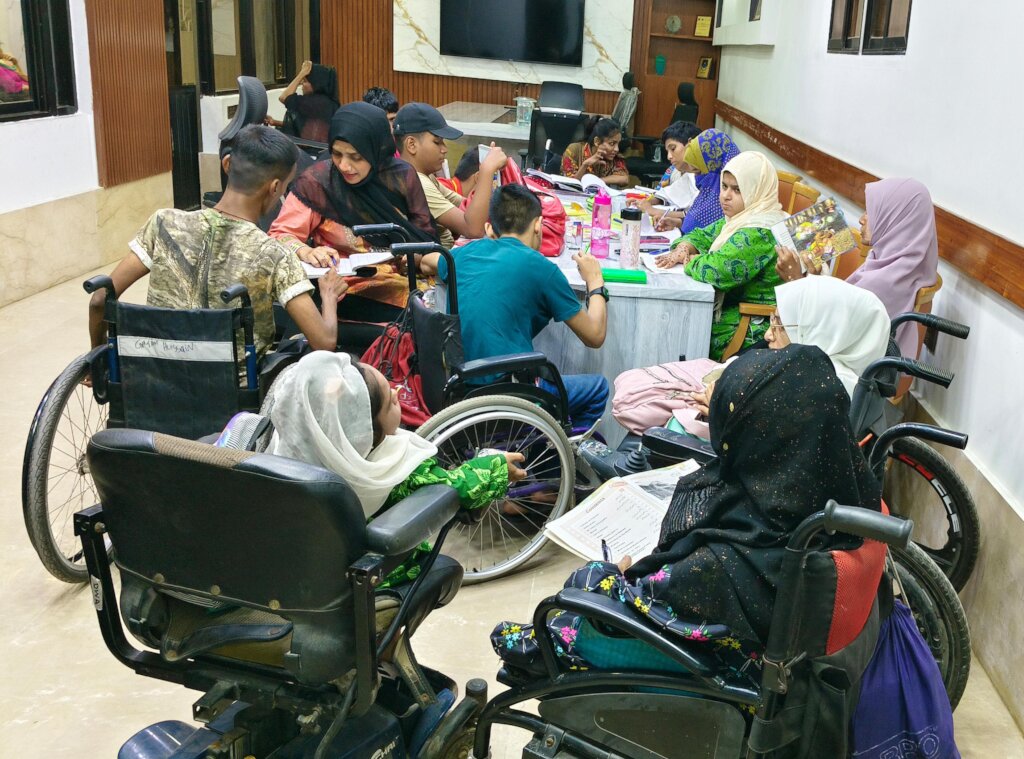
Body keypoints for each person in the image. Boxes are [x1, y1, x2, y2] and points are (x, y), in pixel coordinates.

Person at [493, 344, 882, 671]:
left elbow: (621, 613)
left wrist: (610, 574)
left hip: (695, 672)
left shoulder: (717, 567)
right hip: (762, 654)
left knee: (569, 595)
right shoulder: (848, 504)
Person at [88, 125, 344, 359]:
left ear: (226, 164)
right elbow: (324, 341)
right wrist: (329, 295)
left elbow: (100, 300)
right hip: (233, 388)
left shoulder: (163, 224)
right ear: (275, 187)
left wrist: (98, 357)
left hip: (156, 377)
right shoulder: (273, 253)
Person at [421, 184, 610, 428]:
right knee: (598, 388)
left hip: (460, 386)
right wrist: (595, 282)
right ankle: (560, 448)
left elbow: (427, 262)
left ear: (490, 229)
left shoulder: (465, 254)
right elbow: (594, 336)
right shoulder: (542, 269)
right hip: (510, 389)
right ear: (538, 225)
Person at [612, 275, 890, 436]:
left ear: (821, 330)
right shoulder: (832, 378)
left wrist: (723, 413)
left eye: (780, 324)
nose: (768, 335)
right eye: (772, 320)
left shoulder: (817, 390)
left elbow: (767, 453)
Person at [269, 102, 437, 322]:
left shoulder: (402, 177)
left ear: (376, 150)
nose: (344, 166)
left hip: (406, 276)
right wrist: (306, 251)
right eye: (337, 154)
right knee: (421, 318)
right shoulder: (318, 183)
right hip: (348, 287)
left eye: (356, 157)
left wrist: (413, 257)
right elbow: (279, 235)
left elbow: (424, 237)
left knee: (450, 304)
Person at [775, 178, 939, 360]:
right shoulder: (902, 264)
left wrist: (795, 281)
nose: (861, 219)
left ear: (897, 220)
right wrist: (813, 280)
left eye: (872, 212)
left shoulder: (884, 281)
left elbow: (828, 333)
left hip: (842, 365)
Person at [655, 151, 787, 360]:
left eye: (737, 190)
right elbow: (699, 235)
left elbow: (716, 270)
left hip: (752, 325)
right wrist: (684, 248)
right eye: (724, 186)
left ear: (757, 191)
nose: (725, 195)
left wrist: (693, 261)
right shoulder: (740, 219)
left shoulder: (760, 230)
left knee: (676, 325)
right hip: (733, 308)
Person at [394, 102, 508, 249]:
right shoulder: (416, 182)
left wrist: (488, 177)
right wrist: (487, 171)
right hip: (438, 260)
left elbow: (465, 206)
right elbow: (473, 229)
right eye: (437, 142)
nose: (444, 149)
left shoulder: (426, 177)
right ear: (411, 145)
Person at [642, 127, 741, 234]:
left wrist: (654, 211)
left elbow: (709, 230)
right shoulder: (711, 186)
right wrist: (678, 223)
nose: (697, 178)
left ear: (712, 166)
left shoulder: (721, 192)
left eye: (699, 171)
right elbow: (698, 220)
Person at [269, 60, 339, 143]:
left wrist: (302, 73)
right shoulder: (330, 102)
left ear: (315, 84)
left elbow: (284, 97)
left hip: (309, 150)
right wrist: (275, 122)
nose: (302, 84)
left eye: (305, 81)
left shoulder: (312, 103)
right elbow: (307, 128)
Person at [561, 117, 629, 187]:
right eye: (612, 143)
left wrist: (597, 181)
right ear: (597, 141)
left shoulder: (613, 156)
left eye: (618, 144)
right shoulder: (573, 149)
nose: (616, 149)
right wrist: (585, 165)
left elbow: (624, 179)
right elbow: (571, 184)